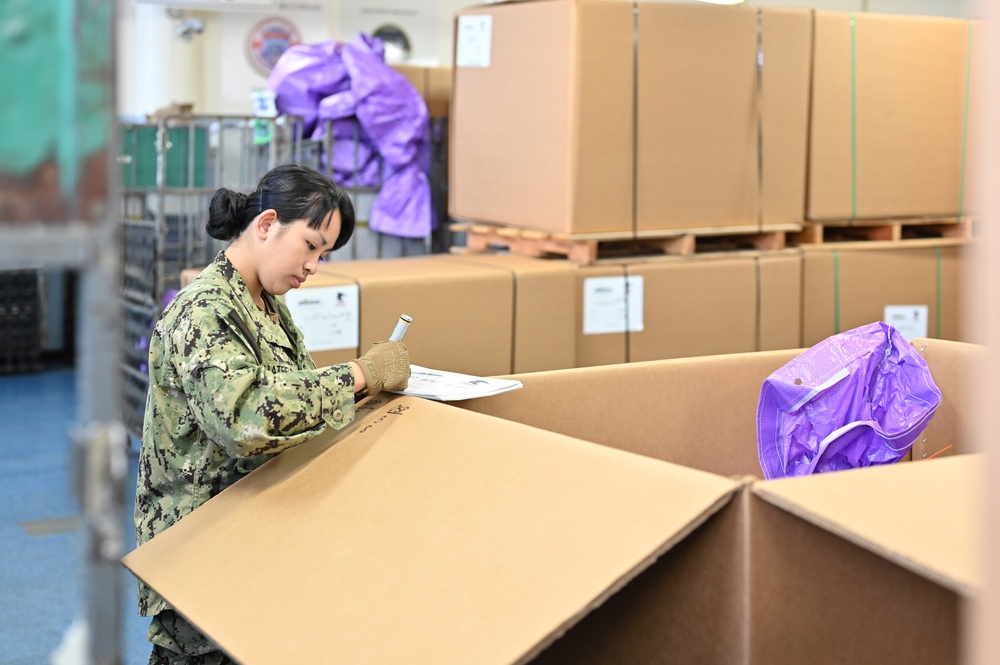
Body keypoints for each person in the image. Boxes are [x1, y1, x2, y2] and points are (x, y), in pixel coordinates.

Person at [133, 163, 411, 664]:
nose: (313, 267)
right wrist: (358, 376)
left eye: (323, 255)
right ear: (265, 225)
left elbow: (291, 391)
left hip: (254, 547)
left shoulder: (264, 303)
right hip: (203, 561)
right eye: (310, 246)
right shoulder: (206, 308)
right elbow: (247, 419)